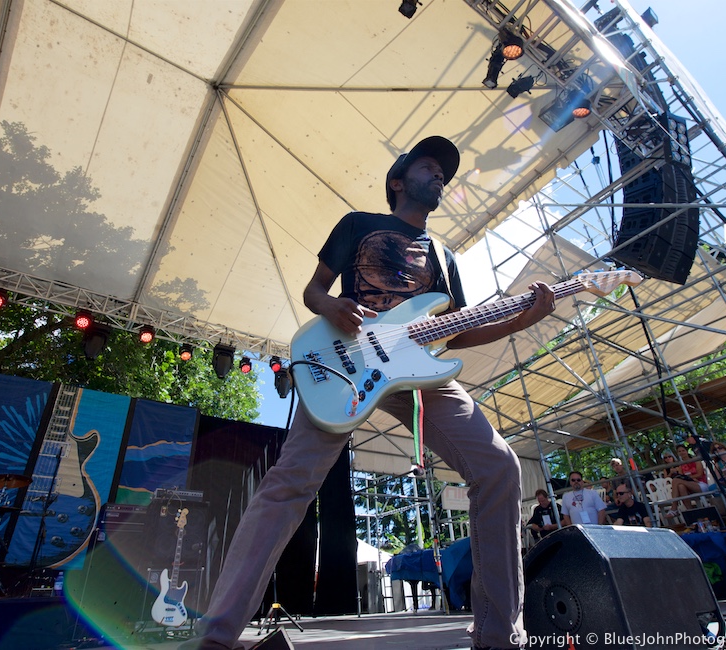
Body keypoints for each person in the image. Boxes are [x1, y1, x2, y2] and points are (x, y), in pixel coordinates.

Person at [187, 136, 556, 650]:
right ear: (399, 181)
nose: (439, 176)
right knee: (289, 483)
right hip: (349, 363)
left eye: (443, 173)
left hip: (423, 376)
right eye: (429, 167)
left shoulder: (445, 257)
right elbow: (314, 289)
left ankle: (497, 635)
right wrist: (331, 307)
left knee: (500, 467)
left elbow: (459, 331)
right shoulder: (358, 224)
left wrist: (523, 317)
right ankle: (218, 634)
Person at [668, 443, 709, 512]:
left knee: (675, 480)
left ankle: (674, 506)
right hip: (688, 484)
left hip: (700, 483)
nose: (682, 453)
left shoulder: (696, 461)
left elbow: (699, 474)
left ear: (686, 451)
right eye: (679, 451)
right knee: (681, 486)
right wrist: (690, 478)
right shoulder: (681, 465)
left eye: (683, 450)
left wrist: (690, 477)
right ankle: (690, 511)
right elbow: (681, 477)